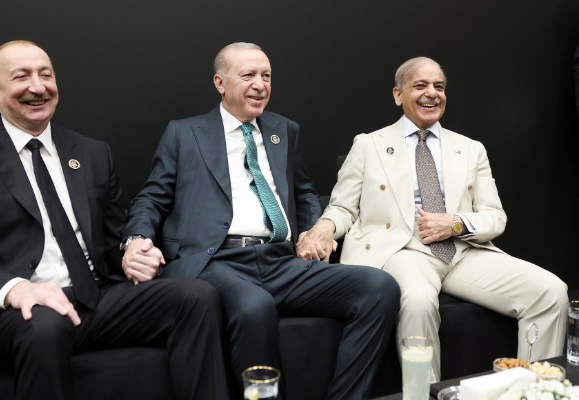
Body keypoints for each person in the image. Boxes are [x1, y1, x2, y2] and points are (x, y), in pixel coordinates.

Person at [0, 40, 230, 400]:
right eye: (21, 77)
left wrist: (131, 253)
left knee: (196, 296)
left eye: (46, 75)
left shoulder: (92, 153)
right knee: (46, 327)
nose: (37, 87)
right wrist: (16, 289)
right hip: (20, 307)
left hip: (93, 297)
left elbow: (113, 242)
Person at [120, 42, 400, 400]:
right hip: (216, 261)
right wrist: (136, 240)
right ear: (220, 83)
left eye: (266, 76)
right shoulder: (184, 133)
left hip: (280, 260)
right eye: (248, 75)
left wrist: (312, 231)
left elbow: (303, 192)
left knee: (379, 287)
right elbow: (151, 197)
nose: (260, 84)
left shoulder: (285, 130)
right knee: (255, 307)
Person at [297, 56, 569, 382]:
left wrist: (455, 223)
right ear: (398, 95)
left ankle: (535, 390)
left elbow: (495, 217)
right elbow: (343, 207)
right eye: (420, 85)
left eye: (439, 86)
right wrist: (323, 228)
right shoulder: (369, 145)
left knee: (551, 292)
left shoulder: (470, 149)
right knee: (417, 300)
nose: (432, 93)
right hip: (403, 249)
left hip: (462, 250)